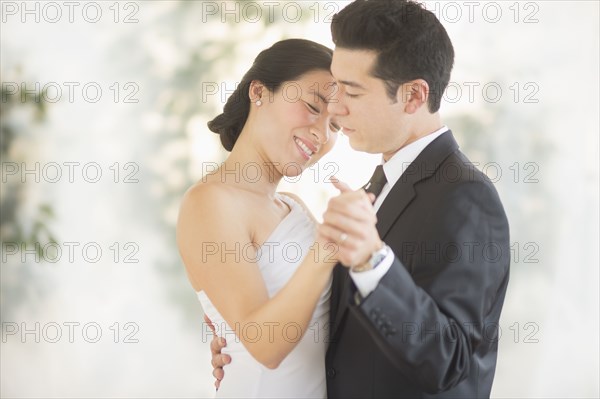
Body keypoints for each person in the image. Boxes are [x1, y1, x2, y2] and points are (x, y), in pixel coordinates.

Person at [210, 1, 511, 398]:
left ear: (413, 96)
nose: (335, 107)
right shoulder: (379, 183)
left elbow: (451, 361)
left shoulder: (467, 197)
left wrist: (373, 260)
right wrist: (240, 343)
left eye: (351, 91)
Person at [177, 39, 351, 398]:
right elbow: (266, 344)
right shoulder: (209, 202)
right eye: (312, 106)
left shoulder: (294, 207)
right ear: (260, 92)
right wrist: (329, 245)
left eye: (336, 125)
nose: (321, 134)